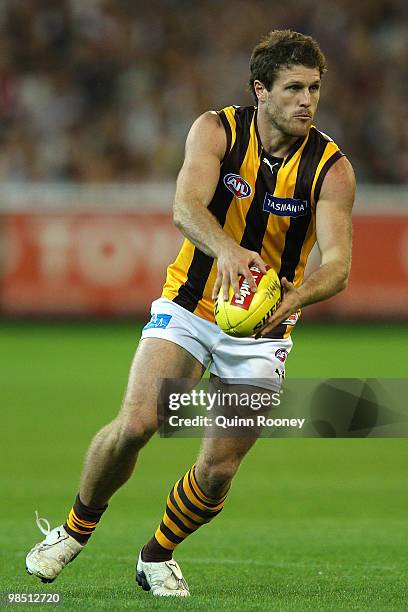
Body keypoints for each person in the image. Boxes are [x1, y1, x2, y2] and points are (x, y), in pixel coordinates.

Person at [26, 29, 355, 598]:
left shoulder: (331, 168)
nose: (308, 101)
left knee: (219, 469)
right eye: (294, 88)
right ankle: (73, 531)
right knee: (136, 425)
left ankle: (156, 555)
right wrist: (227, 248)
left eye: (315, 89)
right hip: (190, 303)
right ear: (261, 91)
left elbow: (340, 264)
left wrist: (290, 300)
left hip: (263, 328)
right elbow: (185, 205)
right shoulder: (216, 131)